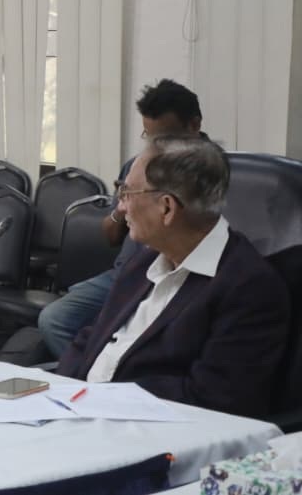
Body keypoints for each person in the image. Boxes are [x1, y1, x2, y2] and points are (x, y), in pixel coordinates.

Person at [56, 135, 289, 418]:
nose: (122, 206)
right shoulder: (143, 261)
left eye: (127, 192)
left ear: (166, 208)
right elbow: (90, 341)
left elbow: (215, 399)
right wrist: (58, 394)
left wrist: (103, 399)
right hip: (75, 413)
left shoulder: (247, 288)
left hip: (143, 429)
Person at [38, 79, 205, 357]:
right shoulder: (137, 166)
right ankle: (92, 373)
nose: (156, 146)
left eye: (165, 138)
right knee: (55, 319)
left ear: (193, 126)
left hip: (173, 278)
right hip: (124, 275)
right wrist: (124, 207)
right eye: (150, 137)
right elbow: (111, 235)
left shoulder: (214, 171)